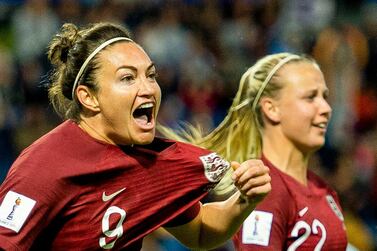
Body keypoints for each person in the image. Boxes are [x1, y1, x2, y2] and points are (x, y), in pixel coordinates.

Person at [0, 22, 271, 250]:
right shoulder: (42, 169)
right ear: (88, 97)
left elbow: (200, 232)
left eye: (150, 75)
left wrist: (246, 199)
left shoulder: (148, 161)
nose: (149, 88)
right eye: (128, 78)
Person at [159, 52, 348, 250]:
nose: (326, 108)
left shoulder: (322, 189)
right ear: (271, 109)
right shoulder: (264, 193)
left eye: (324, 96)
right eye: (310, 97)